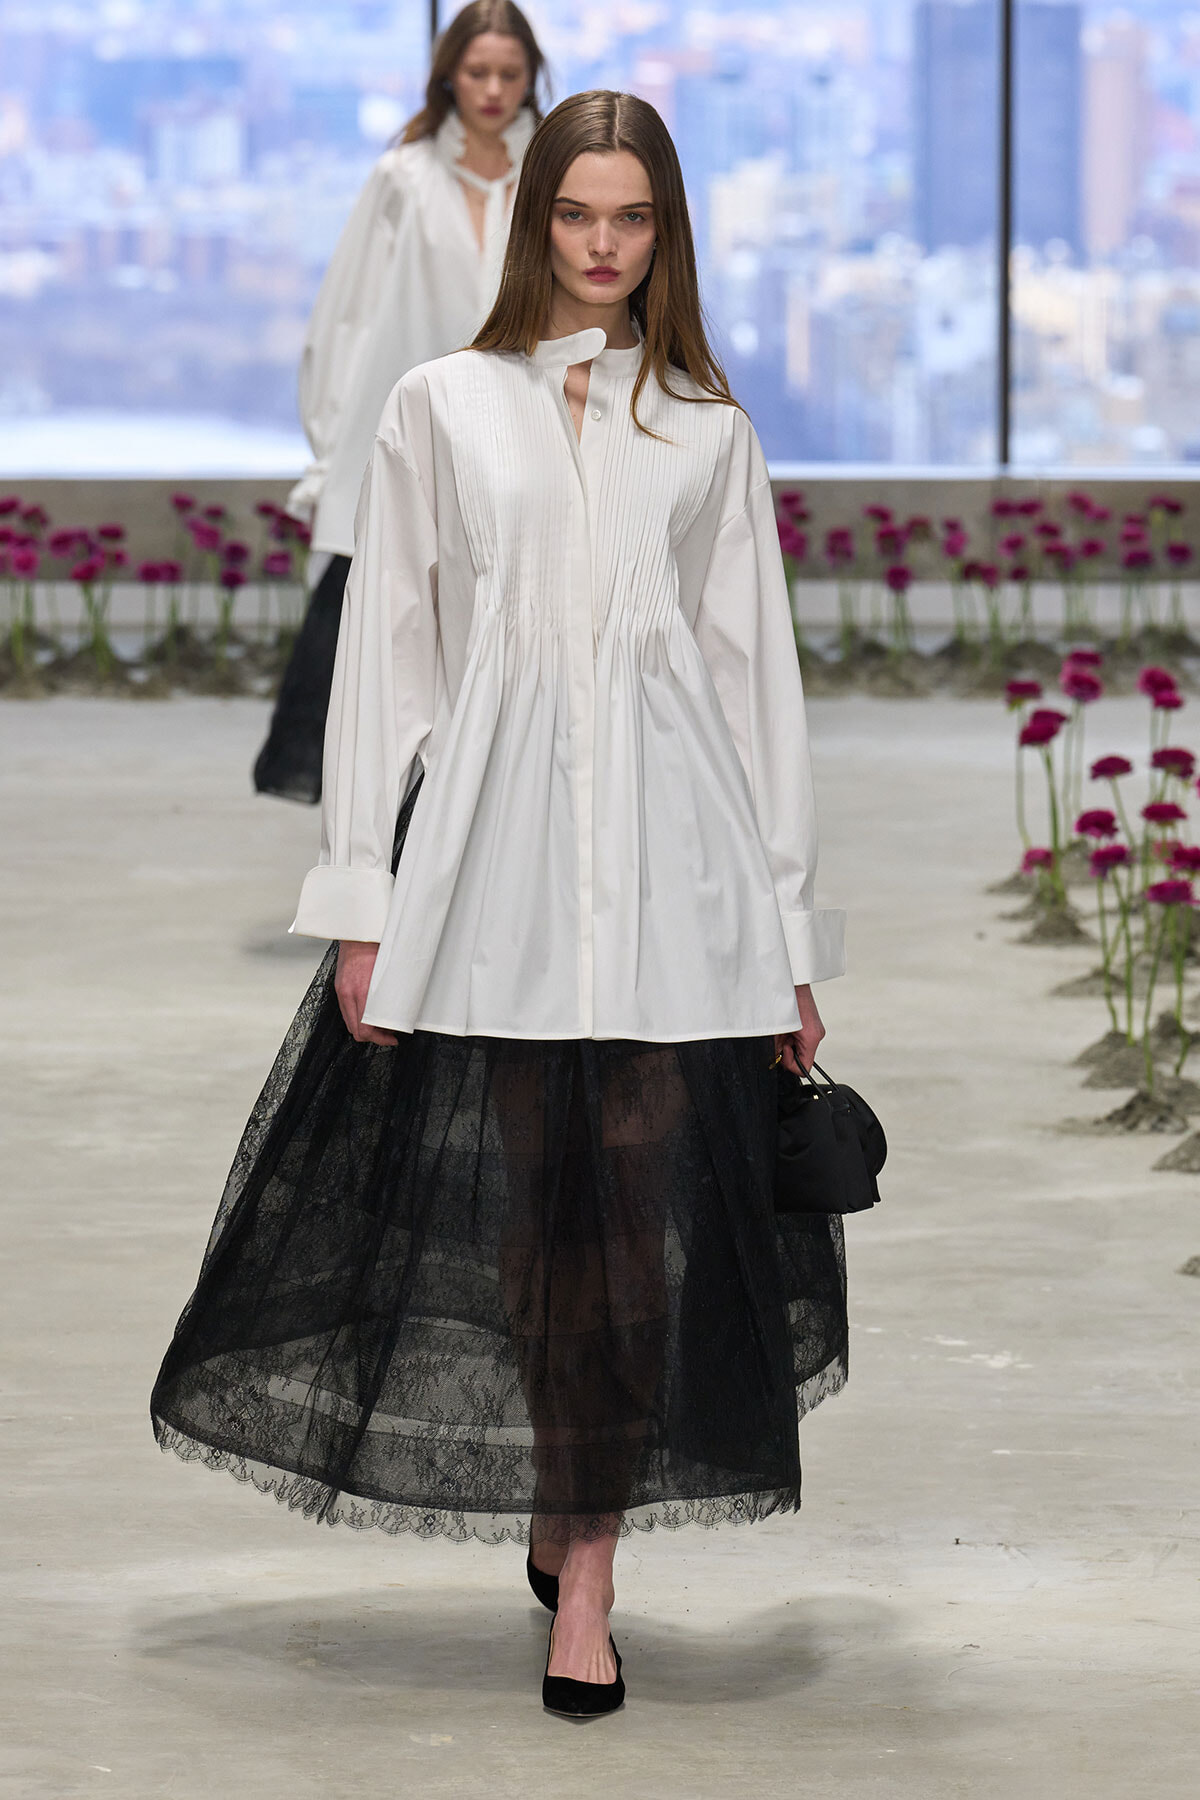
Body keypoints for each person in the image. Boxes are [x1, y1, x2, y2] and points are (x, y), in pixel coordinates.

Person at [153, 90, 848, 1720]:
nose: (603, 245)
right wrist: (363, 905)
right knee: (545, 1231)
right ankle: (569, 1483)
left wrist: (789, 935)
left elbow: (759, 702)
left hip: (681, 882)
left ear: (666, 235)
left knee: (646, 1232)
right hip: (500, 871)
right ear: (536, 215)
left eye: (635, 220)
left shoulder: (710, 431)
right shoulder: (441, 408)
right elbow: (391, 670)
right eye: (578, 213)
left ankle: (587, 1575)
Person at [253, 1, 547, 804]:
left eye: (509, 74)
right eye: (477, 71)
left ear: (532, 78)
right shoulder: (403, 176)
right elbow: (344, 317)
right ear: (448, 72)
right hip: (402, 427)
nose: (492, 89)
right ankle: (372, 843)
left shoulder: (555, 176)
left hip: (522, 430)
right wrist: (328, 450)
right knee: (375, 633)